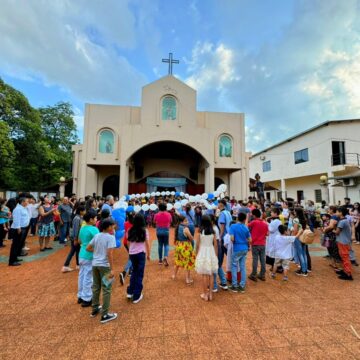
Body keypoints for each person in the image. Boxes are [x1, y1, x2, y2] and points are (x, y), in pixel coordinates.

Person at [87, 218, 117, 323]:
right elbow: (110, 253)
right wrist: (112, 269)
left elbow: (88, 248)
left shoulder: (97, 236)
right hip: (105, 266)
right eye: (113, 226)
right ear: (108, 227)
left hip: (95, 264)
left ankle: (94, 309)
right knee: (107, 289)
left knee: (96, 287)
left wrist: (97, 252)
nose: (114, 227)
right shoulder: (111, 237)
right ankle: (104, 315)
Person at [126, 214, 151, 304]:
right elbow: (147, 243)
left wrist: (130, 251)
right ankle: (137, 295)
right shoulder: (144, 231)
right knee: (139, 274)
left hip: (132, 254)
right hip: (141, 254)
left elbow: (128, 242)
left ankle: (130, 292)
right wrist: (148, 254)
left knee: (134, 272)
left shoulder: (130, 230)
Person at [78, 211, 99, 307]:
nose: (96, 219)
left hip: (82, 254)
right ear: (90, 219)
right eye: (95, 218)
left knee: (82, 275)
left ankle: (80, 295)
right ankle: (87, 298)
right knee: (88, 277)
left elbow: (79, 241)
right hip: (89, 255)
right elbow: (99, 241)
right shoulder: (94, 229)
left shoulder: (82, 228)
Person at [195, 215, 218, 301]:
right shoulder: (213, 231)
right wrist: (215, 255)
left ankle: (205, 294)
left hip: (203, 252)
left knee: (204, 274)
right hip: (211, 251)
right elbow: (215, 244)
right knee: (211, 274)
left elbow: (197, 244)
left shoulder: (200, 231)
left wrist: (196, 254)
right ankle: (210, 294)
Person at [228, 212, 251, 293]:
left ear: (237, 218)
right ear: (245, 219)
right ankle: (242, 285)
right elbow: (250, 240)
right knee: (242, 267)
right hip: (244, 248)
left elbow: (232, 239)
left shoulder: (233, 226)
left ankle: (234, 285)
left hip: (237, 248)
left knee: (234, 266)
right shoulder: (246, 228)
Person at [172, 215, 196, 285]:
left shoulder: (177, 227)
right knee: (188, 262)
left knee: (178, 260)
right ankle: (187, 279)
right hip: (186, 246)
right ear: (181, 221)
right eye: (186, 221)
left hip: (179, 246)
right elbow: (191, 238)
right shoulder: (186, 229)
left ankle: (174, 275)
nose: (187, 222)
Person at [62, 205, 86, 273]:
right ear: (81, 211)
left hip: (78, 238)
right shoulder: (77, 218)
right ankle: (66, 266)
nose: (85, 212)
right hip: (75, 238)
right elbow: (75, 229)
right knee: (72, 251)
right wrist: (75, 239)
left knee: (77, 251)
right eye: (84, 210)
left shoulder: (80, 217)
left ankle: (78, 265)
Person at [214, 199, 232, 291]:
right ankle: (230, 277)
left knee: (219, 259)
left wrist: (220, 237)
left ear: (221, 205)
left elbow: (222, 226)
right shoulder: (228, 212)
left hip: (224, 238)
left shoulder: (222, 214)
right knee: (230, 257)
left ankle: (224, 279)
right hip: (229, 237)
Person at [248, 208, 268, 281]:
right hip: (262, 244)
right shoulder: (265, 224)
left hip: (255, 243)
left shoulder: (254, 222)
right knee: (262, 259)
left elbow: (246, 226)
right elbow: (267, 234)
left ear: (254, 215)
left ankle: (254, 274)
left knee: (255, 259)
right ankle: (262, 275)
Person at [9, 197, 30, 266]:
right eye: (27, 201)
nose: (28, 202)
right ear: (23, 202)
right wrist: (18, 228)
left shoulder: (23, 208)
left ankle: (15, 258)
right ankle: (12, 261)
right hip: (18, 229)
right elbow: (16, 219)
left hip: (23, 228)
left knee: (18, 244)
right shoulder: (18, 209)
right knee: (15, 245)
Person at [335, 207, 353, 280]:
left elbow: (337, 232)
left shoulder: (342, 221)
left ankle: (348, 274)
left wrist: (333, 230)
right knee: (343, 257)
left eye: (337, 212)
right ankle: (345, 270)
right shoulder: (344, 220)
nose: (336, 213)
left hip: (343, 242)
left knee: (345, 257)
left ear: (341, 213)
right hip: (344, 241)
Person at [119, 211, 134, 286]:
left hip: (125, 241)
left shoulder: (125, 223)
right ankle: (124, 272)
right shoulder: (135, 224)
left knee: (131, 256)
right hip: (132, 242)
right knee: (132, 257)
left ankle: (130, 271)